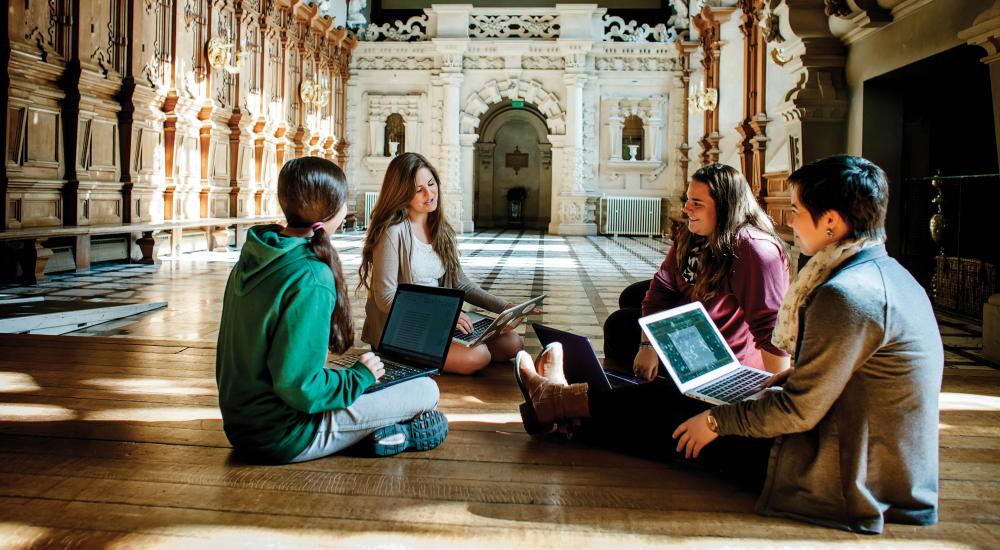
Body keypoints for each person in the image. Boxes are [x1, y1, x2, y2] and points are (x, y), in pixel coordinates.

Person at [515, 155, 943, 533]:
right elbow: (820, 382)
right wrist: (751, 394)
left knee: (678, 411)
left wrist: (718, 421)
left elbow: (798, 409)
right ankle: (563, 406)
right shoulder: (886, 275)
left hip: (840, 475)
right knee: (677, 401)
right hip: (874, 468)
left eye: (795, 211)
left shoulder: (844, 295)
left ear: (831, 222)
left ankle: (558, 403)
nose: (788, 220)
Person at [216, 156, 448, 464]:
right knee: (426, 392)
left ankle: (368, 432)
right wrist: (358, 378)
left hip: (240, 425)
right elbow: (298, 386)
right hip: (286, 434)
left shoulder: (256, 254)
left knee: (385, 384)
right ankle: (389, 434)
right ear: (335, 211)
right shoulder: (312, 277)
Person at [603, 164, 790, 378]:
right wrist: (648, 346)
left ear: (724, 208)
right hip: (692, 329)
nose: (686, 209)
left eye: (697, 203)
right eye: (688, 200)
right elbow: (661, 289)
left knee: (620, 327)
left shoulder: (754, 249)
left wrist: (776, 393)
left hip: (722, 355)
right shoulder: (694, 234)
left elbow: (770, 326)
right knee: (632, 299)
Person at [359, 152, 527, 375]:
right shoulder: (392, 232)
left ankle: (449, 348)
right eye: (419, 190)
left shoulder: (440, 228)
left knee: (513, 343)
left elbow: (460, 283)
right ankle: (407, 356)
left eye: (431, 184)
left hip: (438, 319)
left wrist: (504, 307)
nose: (429, 194)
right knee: (479, 356)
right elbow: (385, 299)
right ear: (401, 194)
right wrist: (441, 317)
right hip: (403, 326)